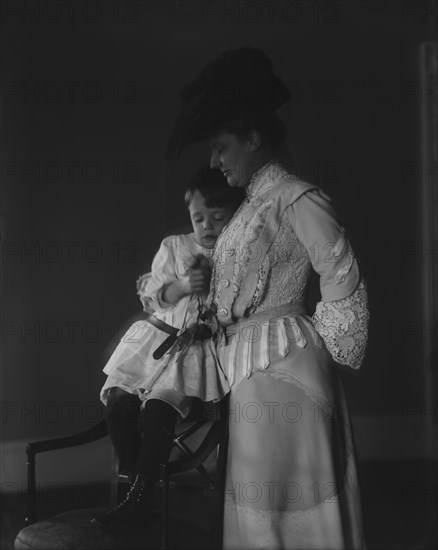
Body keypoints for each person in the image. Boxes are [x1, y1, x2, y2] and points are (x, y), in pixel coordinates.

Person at [166, 48, 370, 549]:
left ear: (254, 139)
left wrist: (323, 343)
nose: (214, 161)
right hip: (249, 370)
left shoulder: (297, 197)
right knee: (260, 501)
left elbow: (340, 270)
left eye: (221, 147)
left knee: (285, 499)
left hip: (286, 366)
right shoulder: (246, 209)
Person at [92, 167, 244, 534]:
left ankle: (139, 498)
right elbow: (155, 298)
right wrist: (181, 285)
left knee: (160, 410)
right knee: (119, 404)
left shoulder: (236, 252)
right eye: (198, 218)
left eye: (218, 218)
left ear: (234, 217)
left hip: (194, 350)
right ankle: (137, 491)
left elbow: (235, 306)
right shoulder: (175, 247)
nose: (207, 226)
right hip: (155, 341)